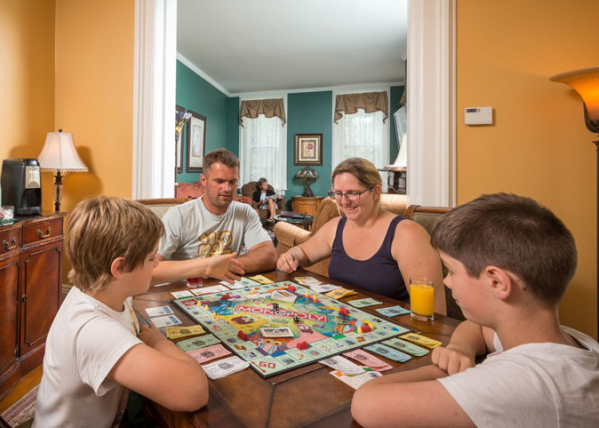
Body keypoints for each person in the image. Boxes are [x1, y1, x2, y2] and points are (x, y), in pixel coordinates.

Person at [351, 193, 599, 427]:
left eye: (451, 271)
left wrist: (441, 371)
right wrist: (460, 348)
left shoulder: (522, 385)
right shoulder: (560, 341)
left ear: (497, 282)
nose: (446, 282)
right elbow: (480, 330)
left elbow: (366, 403)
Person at [33, 197, 208, 428]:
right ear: (119, 268)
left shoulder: (100, 285)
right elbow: (194, 392)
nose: (156, 264)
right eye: (151, 258)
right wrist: (157, 342)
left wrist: (207, 265)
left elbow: (146, 275)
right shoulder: (93, 331)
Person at [276, 157, 445, 313]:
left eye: (352, 193)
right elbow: (304, 253)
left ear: (376, 191)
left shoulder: (407, 234)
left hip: (394, 333)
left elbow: (435, 313)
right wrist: (292, 255)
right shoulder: (336, 227)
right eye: (339, 193)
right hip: (348, 325)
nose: (344, 201)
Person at [155, 148, 278, 284]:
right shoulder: (177, 216)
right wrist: (207, 268)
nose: (227, 188)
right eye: (219, 181)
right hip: (183, 291)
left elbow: (269, 256)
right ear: (203, 180)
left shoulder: (245, 212)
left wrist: (227, 266)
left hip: (224, 292)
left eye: (232, 182)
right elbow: (149, 269)